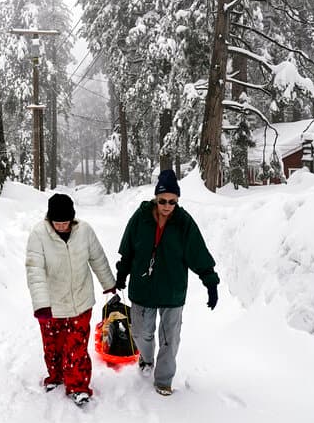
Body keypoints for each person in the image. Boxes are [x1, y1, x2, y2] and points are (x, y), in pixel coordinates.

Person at [115, 169, 218, 396]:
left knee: (170, 339)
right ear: (155, 198)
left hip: (172, 291)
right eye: (163, 200)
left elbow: (198, 254)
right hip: (143, 289)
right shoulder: (140, 218)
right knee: (142, 333)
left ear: (177, 201)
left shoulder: (184, 223)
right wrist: (121, 274)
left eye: (172, 201)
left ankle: (163, 379)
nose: (167, 206)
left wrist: (210, 283)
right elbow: (127, 250)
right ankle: (146, 358)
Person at [25, 193, 116, 406]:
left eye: (65, 222)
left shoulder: (84, 231)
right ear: (50, 219)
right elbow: (34, 270)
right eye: (57, 222)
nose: (61, 226)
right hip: (52, 305)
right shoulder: (39, 235)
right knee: (53, 346)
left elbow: (97, 258)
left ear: (72, 219)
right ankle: (56, 376)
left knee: (76, 347)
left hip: (81, 301)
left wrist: (109, 284)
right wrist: (41, 305)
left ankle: (78, 386)